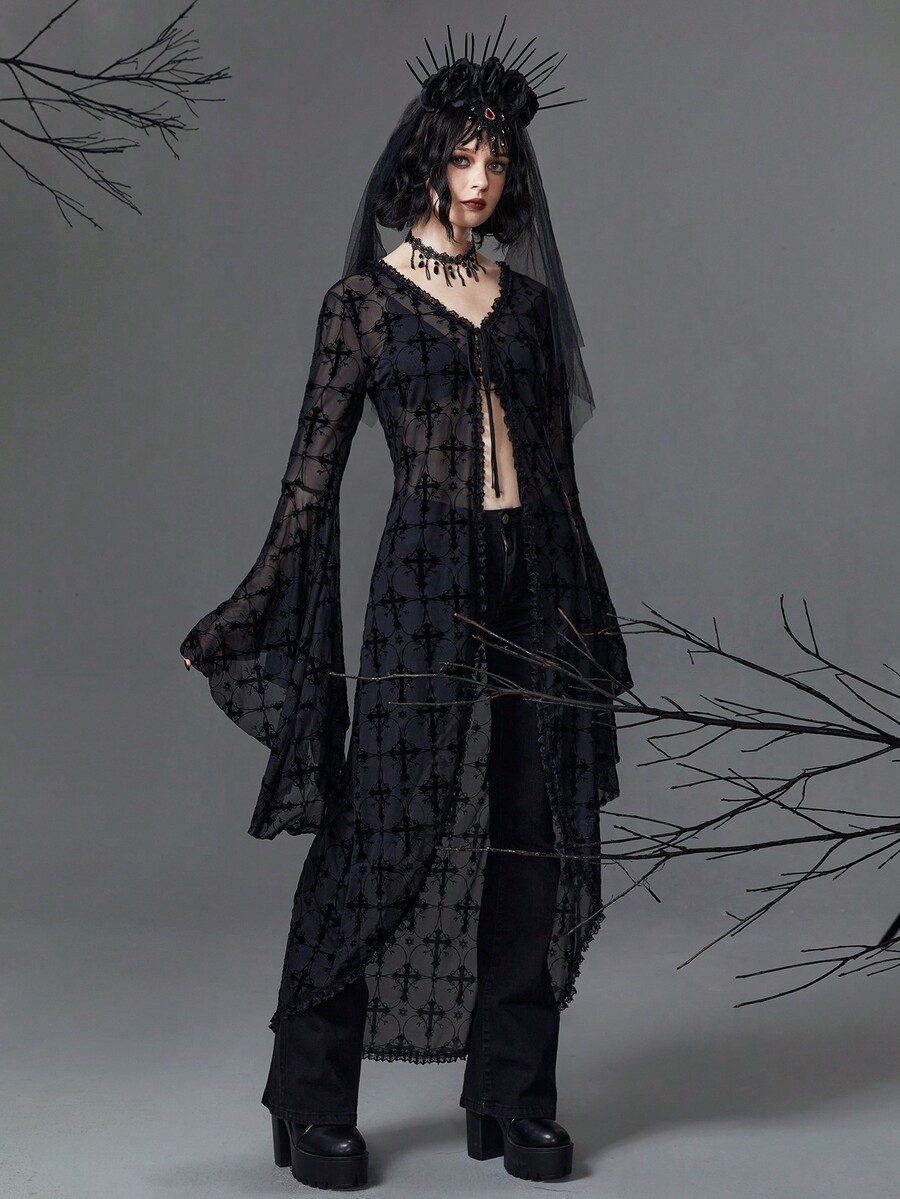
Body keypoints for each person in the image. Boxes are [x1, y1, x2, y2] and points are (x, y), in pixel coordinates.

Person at [180, 19, 633, 1189]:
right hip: (426, 583)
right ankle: (310, 1095)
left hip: (539, 579)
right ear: (425, 159)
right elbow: (310, 483)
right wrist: (251, 603)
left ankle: (514, 1093)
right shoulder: (364, 305)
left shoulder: (524, 307)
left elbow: (560, 477)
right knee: (381, 830)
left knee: (528, 834)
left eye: (499, 161)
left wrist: (589, 609)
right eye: (465, 157)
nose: (482, 180)